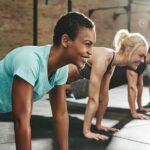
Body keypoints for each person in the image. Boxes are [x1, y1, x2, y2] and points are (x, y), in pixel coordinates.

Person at [0, 12, 96, 150]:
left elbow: (60, 115)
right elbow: (21, 121)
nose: (90, 52)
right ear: (65, 40)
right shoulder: (29, 61)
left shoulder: (60, 70)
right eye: (87, 44)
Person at [67, 29, 149, 141]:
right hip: (53, 74)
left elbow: (103, 96)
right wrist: (87, 131)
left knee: (103, 96)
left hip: (63, 80)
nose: (142, 60)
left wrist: (99, 125)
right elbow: (92, 99)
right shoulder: (104, 58)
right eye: (140, 55)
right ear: (128, 50)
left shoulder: (111, 63)